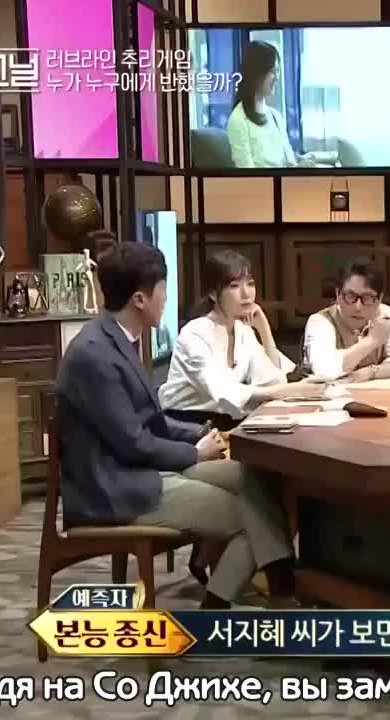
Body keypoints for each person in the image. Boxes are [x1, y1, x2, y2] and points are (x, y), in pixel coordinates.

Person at [55, 241, 297, 610]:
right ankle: (232, 606)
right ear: (140, 299)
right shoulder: (95, 354)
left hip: (140, 469)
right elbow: (133, 443)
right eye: (163, 290)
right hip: (116, 487)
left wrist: (199, 435)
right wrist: (194, 452)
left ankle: (270, 591)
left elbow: (151, 421)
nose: (167, 299)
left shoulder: (117, 338)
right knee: (254, 518)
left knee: (255, 475)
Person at [160, 249, 327, 432]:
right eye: (234, 286)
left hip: (226, 424)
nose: (246, 293)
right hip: (187, 427)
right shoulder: (194, 334)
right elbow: (225, 393)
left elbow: (273, 381)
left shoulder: (242, 331)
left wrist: (263, 329)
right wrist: (293, 390)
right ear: (213, 294)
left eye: (250, 283)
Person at [301, 261, 390, 382]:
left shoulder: (385, 315)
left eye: (367, 297)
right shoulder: (320, 321)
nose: (358, 307)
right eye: (350, 296)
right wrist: (372, 340)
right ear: (337, 294)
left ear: (380, 298)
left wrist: (370, 372)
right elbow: (324, 370)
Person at [226, 41, 320, 169]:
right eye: (272, 71)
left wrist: (301, 167)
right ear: (256, 73)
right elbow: (247, 175)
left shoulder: (276, 116)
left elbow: (290, 164)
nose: (276, 77)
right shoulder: (238, 120)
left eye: (277, 71)